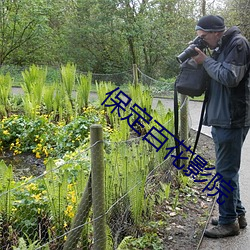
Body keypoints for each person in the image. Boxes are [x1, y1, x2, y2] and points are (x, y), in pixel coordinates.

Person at [192, 15, 250, 238]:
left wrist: (205, 61)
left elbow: (229, 77)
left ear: (216, 32)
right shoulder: (222, 46)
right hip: (223, 117)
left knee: (225, 172)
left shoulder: (238, 44)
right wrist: (202, 60)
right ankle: (237, 214)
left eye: (204, 37)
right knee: (228, 171)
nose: (203, 41)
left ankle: (228, 223)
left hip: (232, 118)